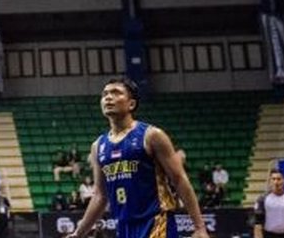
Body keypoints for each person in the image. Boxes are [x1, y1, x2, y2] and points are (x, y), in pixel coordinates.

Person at [65, 78, 209, 238]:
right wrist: (78, 233)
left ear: (131, 104)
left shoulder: (152, 136)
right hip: (124, 227)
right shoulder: (98, 146)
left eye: (116, 93)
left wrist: (199, 228)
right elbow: (100, 195)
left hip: (156, 221)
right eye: (105, 94)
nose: (108, 97)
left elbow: (179, 179)